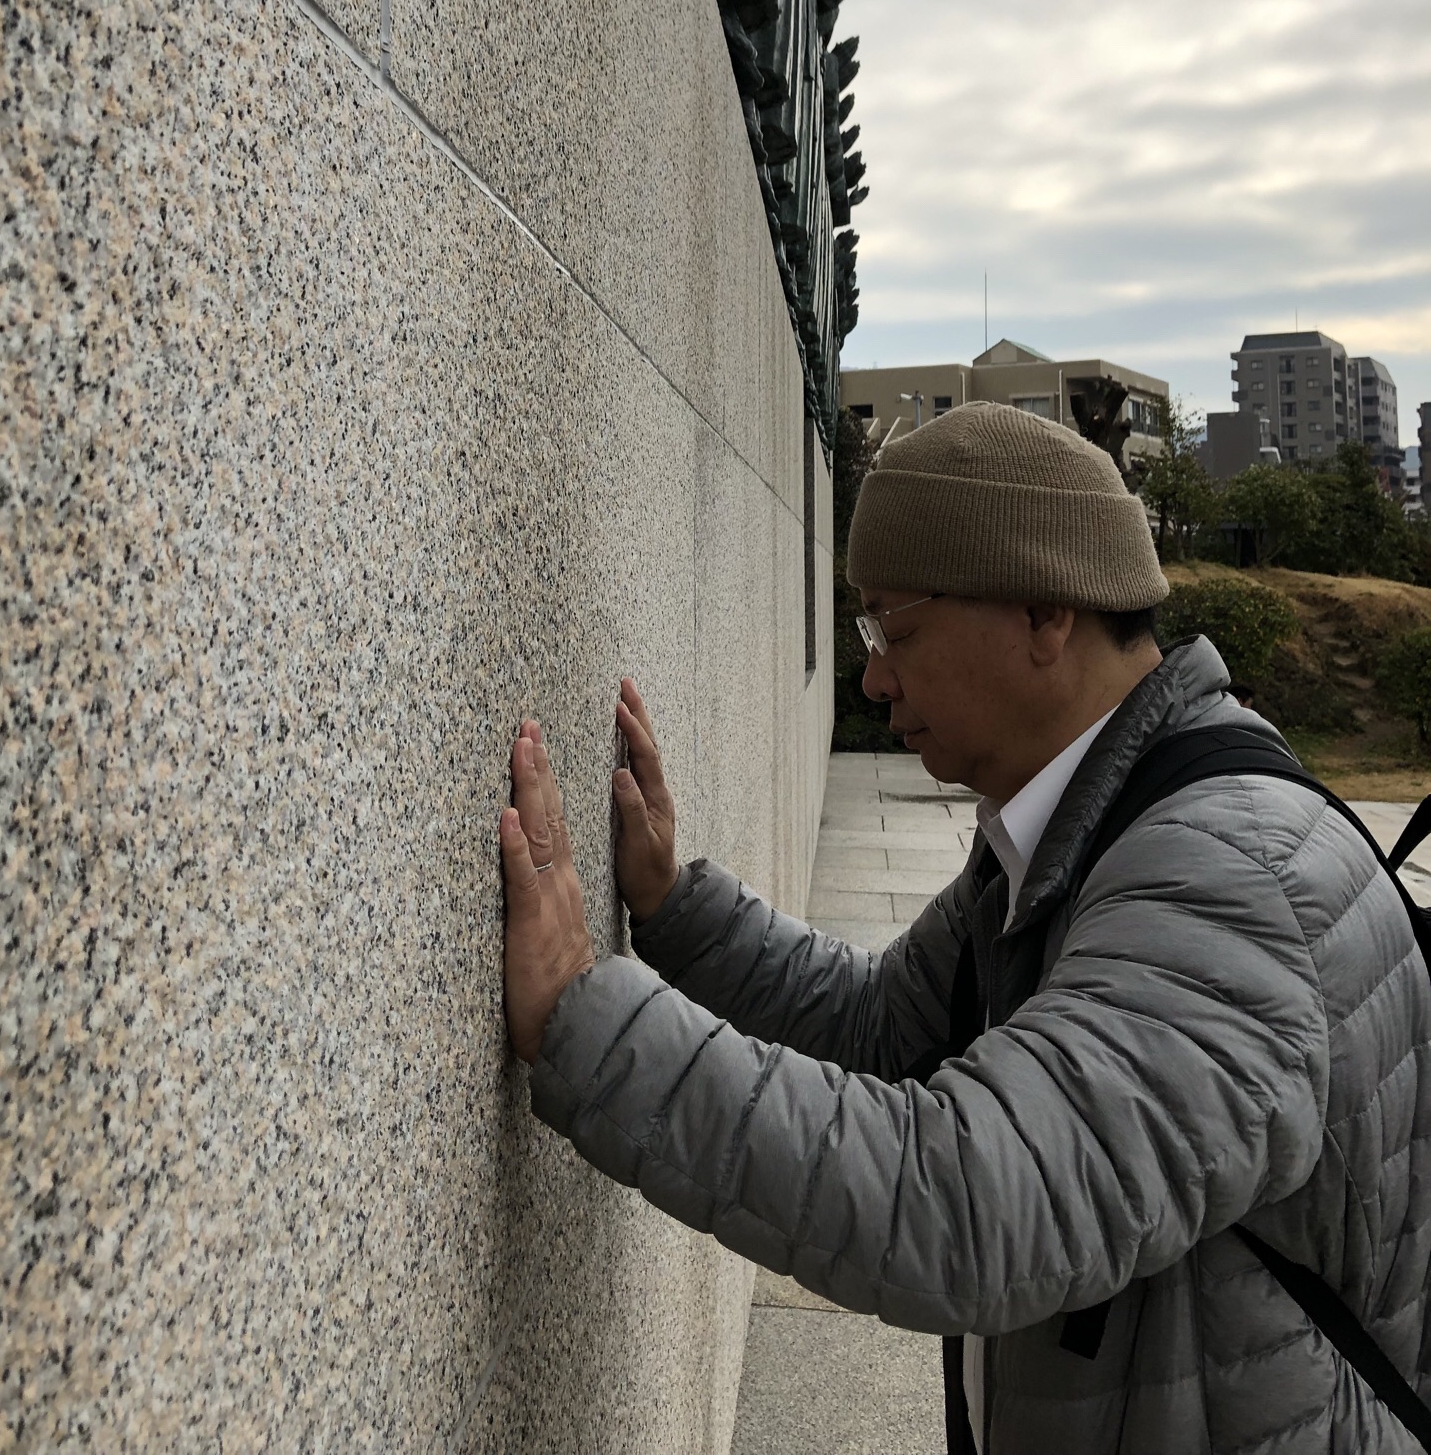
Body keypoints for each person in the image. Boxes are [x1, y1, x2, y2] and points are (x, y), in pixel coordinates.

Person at [499, 403, 1431, 1454]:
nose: (872, 678)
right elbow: (884, 1027)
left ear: (1044, 612)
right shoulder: (1083, 823)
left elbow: (970, 1201)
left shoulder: (1228, 875)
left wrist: (583, 1017)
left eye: (895, 630)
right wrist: (675, 905)